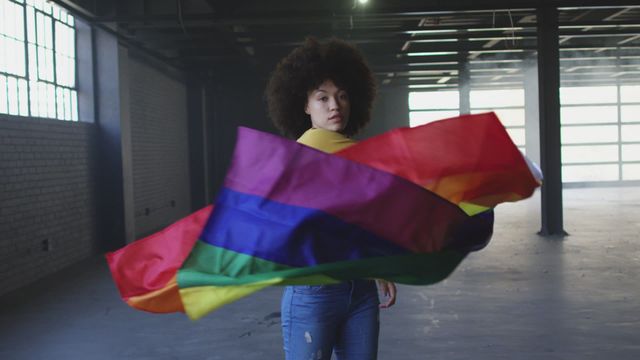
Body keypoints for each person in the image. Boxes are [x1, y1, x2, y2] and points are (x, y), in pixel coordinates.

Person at [265, 37, 397, 360]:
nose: (335, 106)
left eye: (341, 96)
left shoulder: (356, 157)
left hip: (360, 290)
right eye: (322, 98)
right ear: (305, 105)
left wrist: (380, 266)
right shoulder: (299, 156)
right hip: (314, 293)